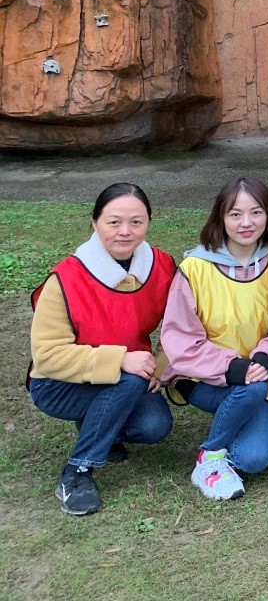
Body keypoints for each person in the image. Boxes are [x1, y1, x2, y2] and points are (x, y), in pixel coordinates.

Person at [28, 184, 176, 515]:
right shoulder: (66, 278)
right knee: (130, 380)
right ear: (94, 222)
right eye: (113, 222)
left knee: (154, 425)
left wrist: (161, 363)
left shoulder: (162, 266)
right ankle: (77, 471)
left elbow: (178, 323)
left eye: (136, 222)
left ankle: (100, 427)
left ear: (149, 222)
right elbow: (47, 357)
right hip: (60, 384)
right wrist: (120, 359)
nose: (125, 231)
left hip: (129, 377)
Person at [160, 178, 268, 500]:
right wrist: (232, 367)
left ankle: (232, 428)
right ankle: (209, 459)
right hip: (201, 377)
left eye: (256, 212)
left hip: (258, 375)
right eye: (235, 214)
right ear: (220, 218)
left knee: (254, 459)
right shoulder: (194, 268)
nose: (246, 222)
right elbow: (180, 338)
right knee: (252, 388)